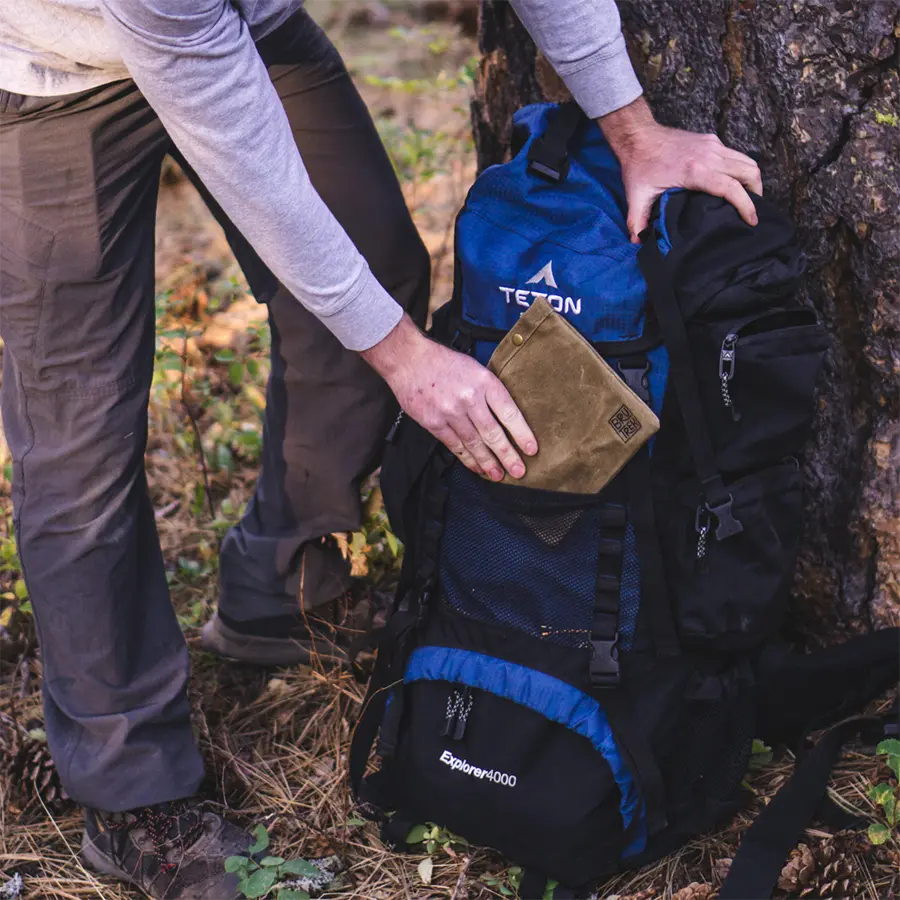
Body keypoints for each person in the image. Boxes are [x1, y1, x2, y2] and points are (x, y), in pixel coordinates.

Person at [0, 0, 763, 896]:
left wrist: (633, 132)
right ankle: (132, 796)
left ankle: (276, 588)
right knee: (77, 440)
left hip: (241, 23)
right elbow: (239, 145)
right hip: (51, 75)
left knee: (372, 264)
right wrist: (405, 360)